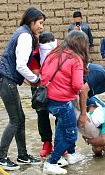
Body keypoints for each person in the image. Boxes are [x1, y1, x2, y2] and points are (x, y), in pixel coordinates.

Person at [0, 7, 45, 171]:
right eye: (40, 23)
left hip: (7, 80)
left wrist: (27, 80)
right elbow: (20, 65)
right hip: (5, 81)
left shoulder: (23, 33)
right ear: (32, 21)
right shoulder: (25, 36)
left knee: (20, 118)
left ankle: (22, 155)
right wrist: (36, 79)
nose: (42, 27)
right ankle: (0, 157)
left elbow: (17, 64)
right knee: (15, 120)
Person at [40, 30, 89, 174]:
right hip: (63, 101)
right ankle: (51, 162)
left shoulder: (54, 54)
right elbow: (77, 85)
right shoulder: (75, 59)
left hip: (50, 100)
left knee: (61, 129)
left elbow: (44, 75)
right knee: (71, 135)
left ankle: (64, 158)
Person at [27, 32, 58, 158]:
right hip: (40, 87)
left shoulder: (59, 52)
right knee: (42, 114)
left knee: (60, 114)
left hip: (57, 86)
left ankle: (59, 143)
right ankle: (46, 143)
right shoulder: (35, 56)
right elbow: (36, 75)